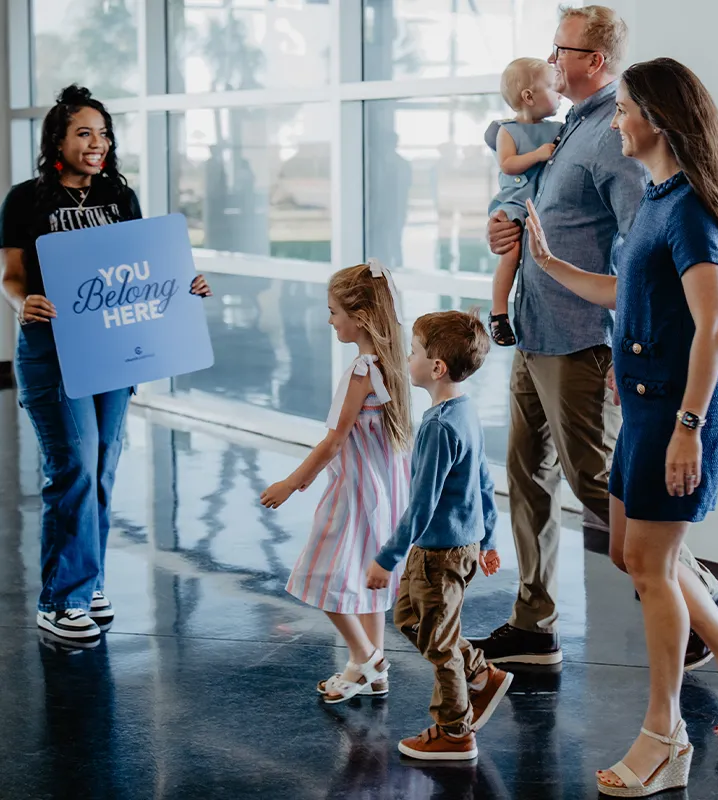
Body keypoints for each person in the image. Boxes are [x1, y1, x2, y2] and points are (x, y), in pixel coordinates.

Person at [524, 57, 718, 796]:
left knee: (652, 566)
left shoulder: (689, 213)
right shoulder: (656, 196)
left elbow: (713, 326)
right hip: (648, 407)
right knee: (631, 554)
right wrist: (549, 264)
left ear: (658, 119)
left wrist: (686, 427)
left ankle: (664, 736)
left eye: (626, 110)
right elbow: (628, 290)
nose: (616, 120)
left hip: (682, 414)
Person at [470, 4, 718, 671]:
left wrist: (625, 344)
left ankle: (706, 599)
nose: (551, 59)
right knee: (526, 480)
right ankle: (534, 624)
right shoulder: (562, 134)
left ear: (594, 61)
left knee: (601, 485)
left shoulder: (614, 145)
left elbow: (642, 256)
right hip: (535, 331)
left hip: (584, 342)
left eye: (560, 49)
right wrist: (505, 236)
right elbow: (544, 221)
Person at [0, 85, 211, 643]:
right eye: (84, 133)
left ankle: (85, 577)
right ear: (58, 140)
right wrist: (24, 303)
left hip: (112, 348)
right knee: (73, 466)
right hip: (52, 350)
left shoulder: (121, 196)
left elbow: (139, 272)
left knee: (102, 463)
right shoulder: (25, 200)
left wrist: (181, 286)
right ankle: (61, 598)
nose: (97, 143)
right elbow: (11, 275)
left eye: (104, 133)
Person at [261, 260, 413, 704]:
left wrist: (292, 483)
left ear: (360, 316)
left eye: (333, 312)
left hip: (355, 490)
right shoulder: (394, 363)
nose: (329, 320)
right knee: (371, 578)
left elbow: (333, 441)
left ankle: (368, 658)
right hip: (386, 490)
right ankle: (369, 666)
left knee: (322, 574)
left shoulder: (362, 370)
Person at [366, 311, 511, 761]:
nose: (407, 358)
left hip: (439, 554)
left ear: (437, 368)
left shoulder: (438, 426)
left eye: (413, 352)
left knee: (440, 642)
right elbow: (483, 481)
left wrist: (386, 557)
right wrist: (487, 539)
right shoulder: (465, 412)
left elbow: (423, 504)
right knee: (410, 619)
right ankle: (482, 674)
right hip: (453, 546)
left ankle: (454, 731)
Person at [486, 57, 562, 347]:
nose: (559, 94)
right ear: (529, 97)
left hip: (540, 204)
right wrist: (538, 155)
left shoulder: (557, 127)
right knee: (511, 251)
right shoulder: (508, 130)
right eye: (552, 88)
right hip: (514, 201)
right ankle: (499, 312)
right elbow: (507, 164)